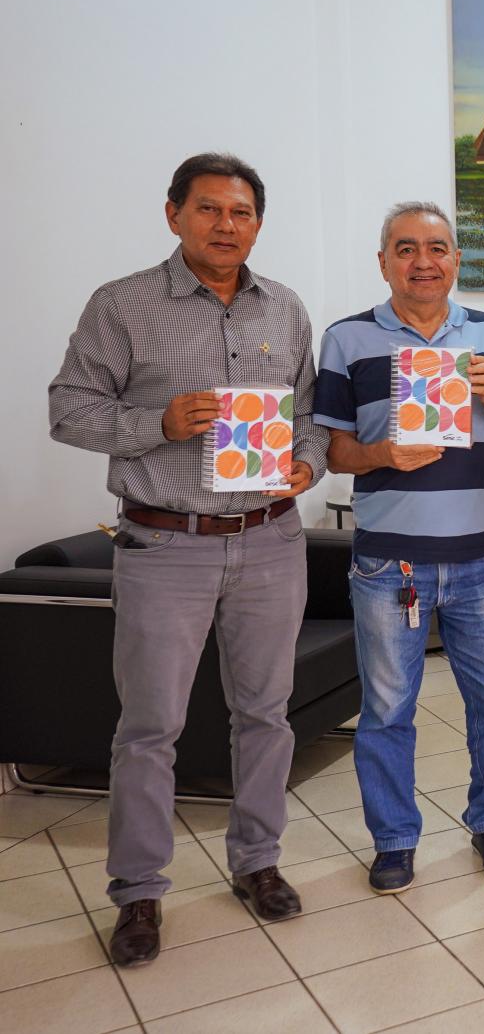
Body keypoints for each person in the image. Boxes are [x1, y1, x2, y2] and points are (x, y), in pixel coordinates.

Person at [48, 153, 328, 966]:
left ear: (258, 224)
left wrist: (307, 462)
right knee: (149, 728)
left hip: (273, 539)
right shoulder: (123, 305)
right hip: (165, 543)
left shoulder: (287, 308)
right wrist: (157, 423)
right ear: (173, 214)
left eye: (241, 213)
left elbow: (308, 415)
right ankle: (138, 892)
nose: (225, 225)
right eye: (208, 209)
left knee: (266, 716)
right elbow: (70, 408)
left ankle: (258, 862)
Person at [314, 202, 484, 894]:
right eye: (406, 248)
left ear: (456, 260)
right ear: (384, 262)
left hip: (483, 561)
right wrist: (382, 452)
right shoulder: (346, 340)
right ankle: (395, 839)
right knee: (387, 709)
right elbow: (332, 449)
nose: (424, 261)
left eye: (437, 247)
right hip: (388, 565)